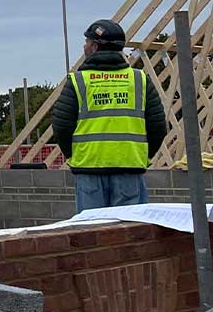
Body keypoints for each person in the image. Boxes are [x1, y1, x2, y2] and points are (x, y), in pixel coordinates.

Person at [51, 19, 165, 211]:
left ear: (95, 47)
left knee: (93, 227)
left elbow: (62, 127)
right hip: (129, 169)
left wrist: (75, 155)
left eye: (87, 42)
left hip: (89, 170)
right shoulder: (139, 80)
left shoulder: (79, 81)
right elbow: (158, 126)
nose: (84, 47)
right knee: (130, 226)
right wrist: (141, 156)